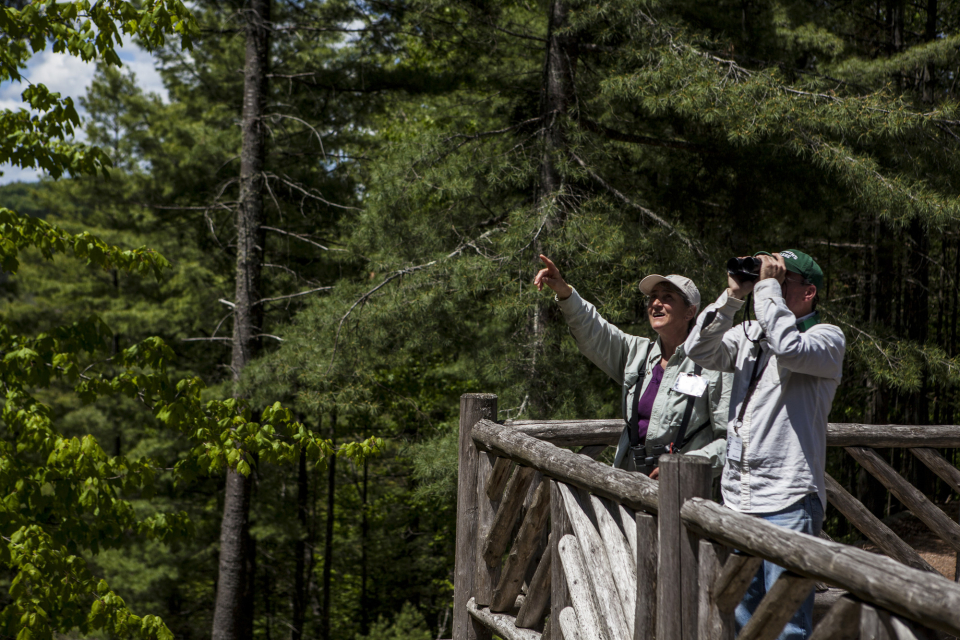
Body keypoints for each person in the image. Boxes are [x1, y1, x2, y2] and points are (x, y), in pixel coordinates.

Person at [683, 250, 845, 639]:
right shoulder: (751, 334)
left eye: (779, 280)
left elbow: (789, 349)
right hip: (740, 499)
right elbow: (698, 350)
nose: (765, 286)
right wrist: (733, 298)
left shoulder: (826, 338)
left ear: (808, 293)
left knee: (786, 627)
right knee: (743, 621)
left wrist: (768, 290)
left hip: (788, 500)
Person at [534, 254, 730, 477]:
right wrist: (565, 292)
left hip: (682, 490)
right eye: (653, 297)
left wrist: (685, 466)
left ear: (690, 312)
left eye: (667, 297)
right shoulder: (638, 353)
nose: (656, 303)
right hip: (628, 485)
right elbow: (594, 331)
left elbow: (730, 440)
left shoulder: (714, 363)